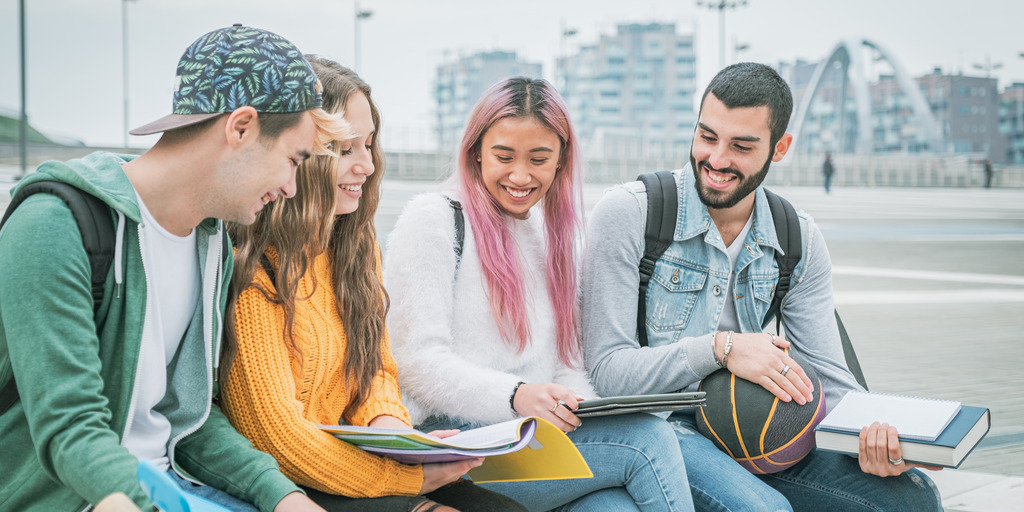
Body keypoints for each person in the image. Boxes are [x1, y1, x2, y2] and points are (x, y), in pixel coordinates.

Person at [0, 25, 345, 512]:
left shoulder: (211, 244)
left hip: (178, 489)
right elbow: (70, 428)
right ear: (240, 127)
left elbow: (187, 420)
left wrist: (282, 495)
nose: (292, 186)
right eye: (294, 160)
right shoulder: (54, 224)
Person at [581, 62, 943, 512]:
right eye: (707, 136)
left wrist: (882, 433)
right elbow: (607, 372)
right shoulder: (631, 213)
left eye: (741, 146)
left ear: (780, 147)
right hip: (654, 426)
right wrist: (722, 348)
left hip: (753, 428)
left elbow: (832, 382)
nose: (716, 160)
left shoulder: (797, 237)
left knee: (911, 498)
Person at [220, 56, 526, 512]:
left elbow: (376, 371)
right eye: (345, 150)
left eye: (369, 145)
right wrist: (408, 478)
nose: (366, 165)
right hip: (291, 478)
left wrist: (396, 435)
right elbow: (277, 438)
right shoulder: (253, 269)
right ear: (298, 153)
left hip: (357, 455)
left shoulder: (352, 250)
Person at [383, 77, 694, 512]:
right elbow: (415, 362)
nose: (520, 175)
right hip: (458, 445)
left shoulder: (554, 238)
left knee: (610, 506)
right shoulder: (432, 219)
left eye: (539, 159)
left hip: (532, 436)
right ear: (476, 152)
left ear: (561, 161)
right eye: (503, 156)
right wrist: (516, 394)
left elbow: (565, 366)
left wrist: (580, 408)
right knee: (649, 440)